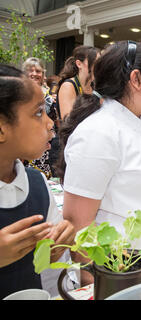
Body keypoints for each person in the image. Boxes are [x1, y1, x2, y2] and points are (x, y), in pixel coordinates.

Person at [57, 41, 141, 285]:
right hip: (115, 273)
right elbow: (80, 229)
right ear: (137, 79)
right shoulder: (98, 132)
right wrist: (97, 287)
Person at [0, 64, 75, 299]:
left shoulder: (37, 183)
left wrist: (58, 247)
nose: (50, 123)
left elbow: (48, 272)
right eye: (38, 113)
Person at [22, 57, 57, 179]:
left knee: (39, 184)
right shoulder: (17, 95)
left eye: (38, 71)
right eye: (30, 70)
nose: (34, 74)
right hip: (20, 147)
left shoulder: (49, 98)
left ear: (43, 75)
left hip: (43, 150)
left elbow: (53, 125)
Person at [56, 45, 99, 121]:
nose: (98, 67)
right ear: (79, 64)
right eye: (94, 62)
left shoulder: (94, 87)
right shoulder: (68, 86)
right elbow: (68, 121)